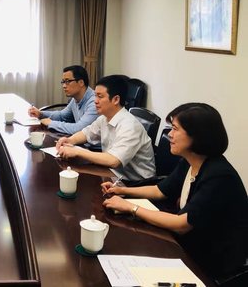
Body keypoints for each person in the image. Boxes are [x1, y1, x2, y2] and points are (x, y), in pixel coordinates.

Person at [101, 103, 248, 279]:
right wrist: (123, 190)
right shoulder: (190, 160)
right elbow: (160, 190)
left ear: (197, 136)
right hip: (189, 243)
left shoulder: (219, 176)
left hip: (212, 262)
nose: (169, 134)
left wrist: (131, 207)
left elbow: (181, 225)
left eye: (175, 129)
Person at [55, 74, 155, 181]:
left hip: (137, 183)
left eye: (100, 96)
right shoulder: (104, 118)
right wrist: (70, 140)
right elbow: (87, 133)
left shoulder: (130, 126)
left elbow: (114, 161)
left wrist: (77, 152)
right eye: (95, 96)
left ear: (116, 99)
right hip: (114, 174)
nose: (95, 101)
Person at [28, 65, 98, 134]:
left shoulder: (95, 102)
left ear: (81, 83)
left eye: (67, 81)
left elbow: (79, 129)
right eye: (63, 82)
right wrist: (41, 114)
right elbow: (62, 116)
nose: (64, 86)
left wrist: (51, 123)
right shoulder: (75, 98)